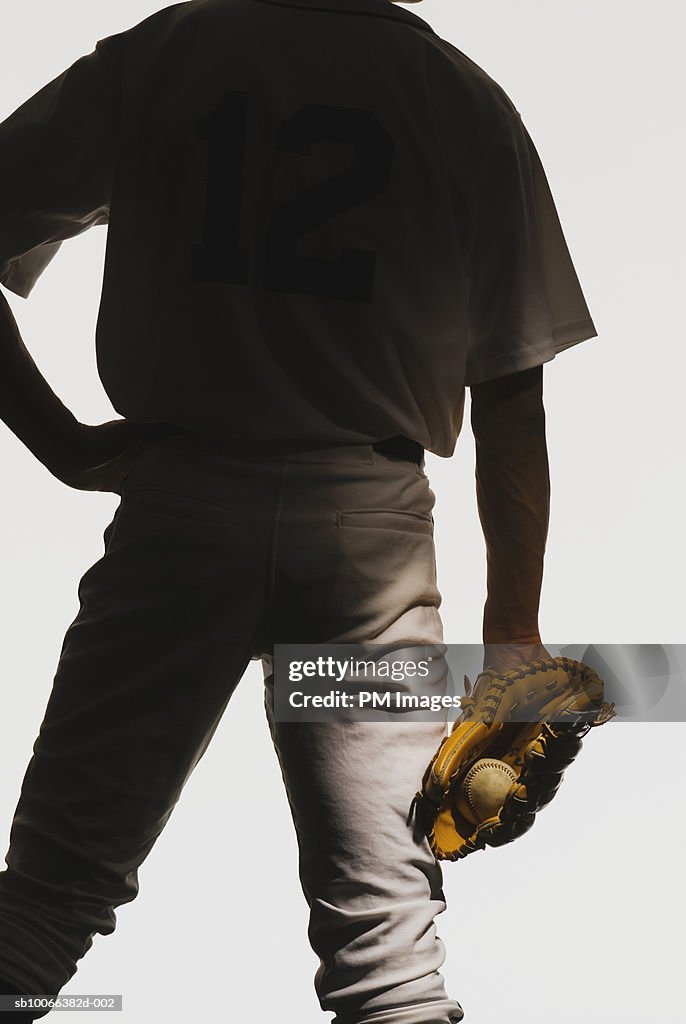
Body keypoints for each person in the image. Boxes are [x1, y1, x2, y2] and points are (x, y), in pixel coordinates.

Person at [0, 0, 596, 1020]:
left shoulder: (157, 59)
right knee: (387, 950)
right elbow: (509, 400)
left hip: (180, 520)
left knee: (46, 900)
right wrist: (511, 643)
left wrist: (58, 439)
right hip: (362, 538)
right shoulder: (457, 97)